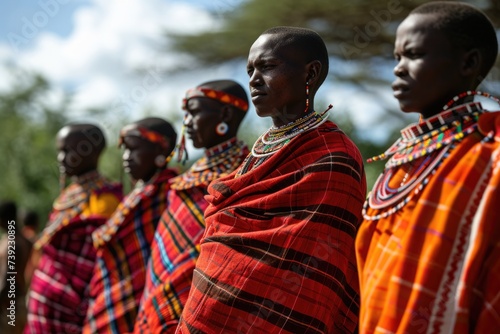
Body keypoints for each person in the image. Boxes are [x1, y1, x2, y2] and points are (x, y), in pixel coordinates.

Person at [176, 26, 367, 333]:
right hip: (208, 315)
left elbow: (316, 263)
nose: (253, 79)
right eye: (250, 69)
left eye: (266, 67)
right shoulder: (257, 152)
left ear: (311, 73)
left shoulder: (334, 156)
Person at [357, 2, 500, 333]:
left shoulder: (488, 156)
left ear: (469, 63)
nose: (398, 69)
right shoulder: (403, 157)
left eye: (414, 55)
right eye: (396, 58)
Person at [134, 79, 250, 333]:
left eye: (195, 112)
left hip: (204, 304)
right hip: (158, 298)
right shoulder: (187, 178)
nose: (186, 122)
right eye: (185, 114)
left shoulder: (245, 174)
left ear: (226, 114)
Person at [83, 117, 178, 334]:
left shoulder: (170, 194)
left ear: (160, 150)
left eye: (133, 149)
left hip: (145, 297)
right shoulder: (136, 195)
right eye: (124, 150)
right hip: (109, 293)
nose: (126, 157)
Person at [25, 124, 122, 333]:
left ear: (93, 152)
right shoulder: (71, 193)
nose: (61, 158)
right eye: (60, 151)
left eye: (68, 150)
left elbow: (96, 265)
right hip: (47, 309)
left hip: (72, 312)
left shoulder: (104, 200)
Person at [0, 201, 31, 333]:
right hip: (19, 303)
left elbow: (9, 277)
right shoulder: (25, 240)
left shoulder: (12, 243)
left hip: (9, 306)